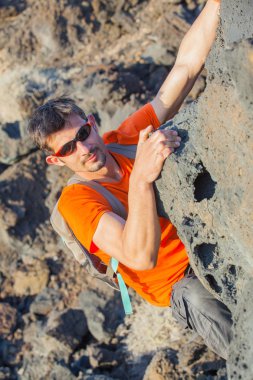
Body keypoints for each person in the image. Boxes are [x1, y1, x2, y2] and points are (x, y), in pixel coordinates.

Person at [28, 0, 232, 359]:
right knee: (210, 309)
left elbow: (184, 69)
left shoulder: (123, 139)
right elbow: (140, 255)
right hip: (178, 283)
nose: (83, 148)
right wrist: (141, 180)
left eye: (84, 133)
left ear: (92, 122)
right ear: (55, 161)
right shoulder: (76, 202)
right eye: (67, 149)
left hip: (214, 241)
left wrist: (217, 3)